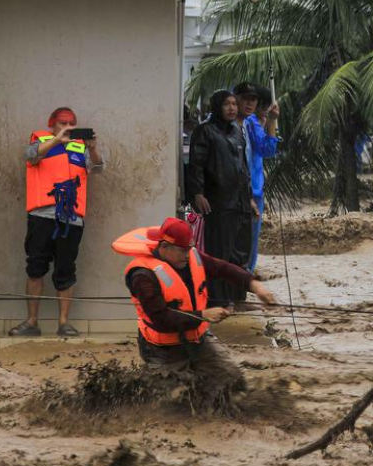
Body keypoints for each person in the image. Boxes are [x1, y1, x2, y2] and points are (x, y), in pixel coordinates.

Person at [111, 217, 276, 408]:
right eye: (182, 250)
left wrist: (254, 285)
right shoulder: (143, 276)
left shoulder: (191, 257)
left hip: (197, 340)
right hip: (161, 349)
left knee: (233, 380)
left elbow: (222, 268)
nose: (188, 255)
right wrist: (203, 315)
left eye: (189, 249)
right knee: (174, 402)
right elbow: (161, 319)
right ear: (164, 247)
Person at [11, 107, 106, 337]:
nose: (68, 126)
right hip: (41, 217)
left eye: (72, 123)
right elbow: (30, 156)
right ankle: (32, 322)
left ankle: (64, 323)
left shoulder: (80, 147)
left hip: (70, 220)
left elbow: (99, 168)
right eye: (63, 122)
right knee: (35, 267)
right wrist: (56, 140)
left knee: (66, 269)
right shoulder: (40, 142)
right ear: (52, 124)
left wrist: (93, 149)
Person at [186, 90, 254, 305]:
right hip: (218, 202)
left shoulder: (237, 131)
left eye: (234, 103)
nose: (232, 108)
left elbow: (243, 168)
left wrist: (250, 198)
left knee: (240, 255)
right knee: (219, 255)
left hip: (240, 203)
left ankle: (238, 299)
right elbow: (196, 164)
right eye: (227, 104)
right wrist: (198, 193)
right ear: (217, 106)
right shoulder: (205, 131)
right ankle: (218, 301)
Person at [233, 83, 280, 271]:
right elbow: (267, 149)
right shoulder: (251, 122)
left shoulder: (248, 122)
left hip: (251, 188)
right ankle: (246, 276)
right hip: (251, 190)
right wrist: (272, 122)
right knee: (249, 240)